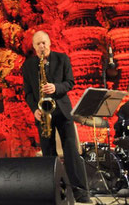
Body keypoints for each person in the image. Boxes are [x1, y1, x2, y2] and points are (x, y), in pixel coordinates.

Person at [22, 31, 90, 203]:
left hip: (62, 110)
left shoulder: (62, 58)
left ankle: (80, 191)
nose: (41, 46)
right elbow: (28, 93)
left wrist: (55, 87)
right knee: (48, 152)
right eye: (38, 44)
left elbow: (70, 82)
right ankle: (52, 190)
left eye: (44, 43)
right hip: (43, 113)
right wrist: (34, 110)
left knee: (71, 151)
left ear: (49, 43)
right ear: (34, 47)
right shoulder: (29, 65)